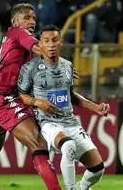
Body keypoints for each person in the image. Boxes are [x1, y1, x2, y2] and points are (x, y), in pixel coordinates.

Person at [0, 3, 62, 190]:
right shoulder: (18, 32)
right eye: (26, 17)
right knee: (38, 143)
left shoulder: (13, 39)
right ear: (14, 21)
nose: (31, 21)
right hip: (3, 98)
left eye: (33, 18)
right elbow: (38, 48)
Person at [17, 25, 110, 190]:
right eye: (46, 41)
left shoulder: (67, 66)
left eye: (55, 40)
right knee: (68, 145)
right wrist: (37, 102)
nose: (51, 44)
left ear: (61, 42)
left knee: (97, 169)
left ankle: (80, 188)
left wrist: (95, 107)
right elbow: (20, 95)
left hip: (71, 122)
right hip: (47, 123)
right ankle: (69, 188)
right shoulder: (30, 68)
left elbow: (71, 95)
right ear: (41, 44)